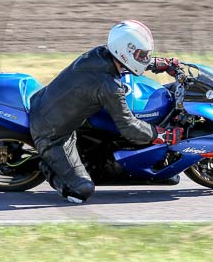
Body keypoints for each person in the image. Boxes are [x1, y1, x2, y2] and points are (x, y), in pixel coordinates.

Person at [29, 20, 184, 203]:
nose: (143, 58)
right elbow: (129, 126)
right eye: (141, 54)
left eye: (145, 55)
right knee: (82, 190)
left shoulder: (101, 53)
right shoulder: (109, 86)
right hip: (53, 134)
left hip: (51, 104)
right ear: (125, 51)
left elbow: (129, 62)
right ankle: (47, 167)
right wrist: (163, 135)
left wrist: (157, 63)